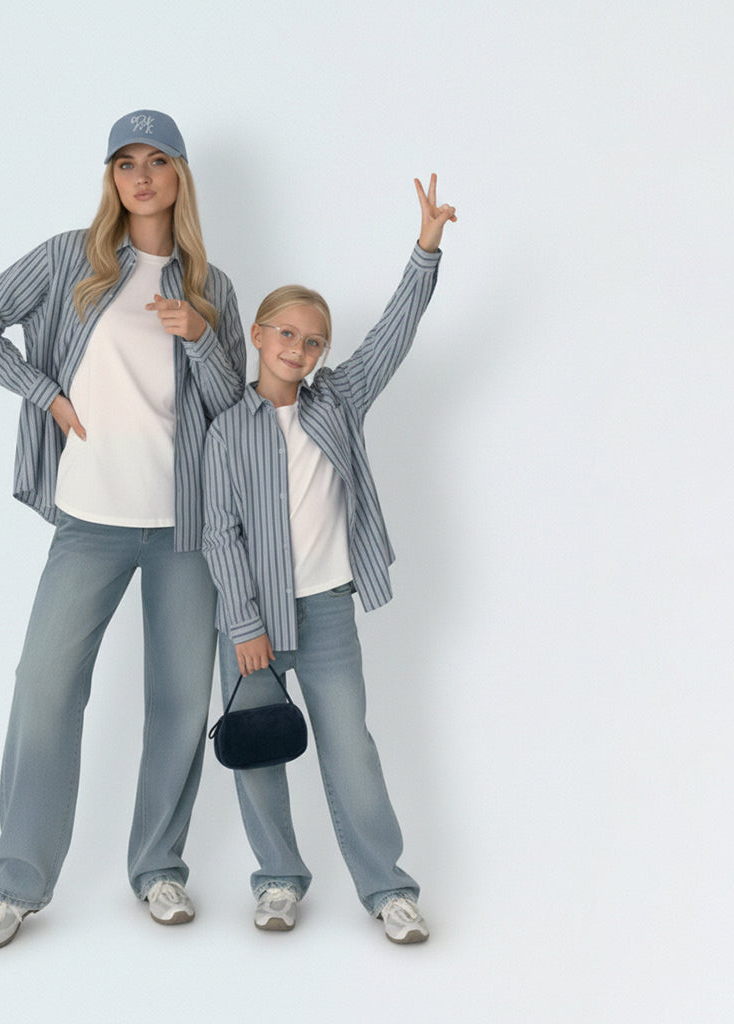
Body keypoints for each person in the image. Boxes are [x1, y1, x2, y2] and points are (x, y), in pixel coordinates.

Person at [0, 110, 245, 951]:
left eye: (157, 160)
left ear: (180, 174)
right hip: (91, 518)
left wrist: (204, 340)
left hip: (187, 525)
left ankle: (159, 869)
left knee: (180, 701)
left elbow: (235, 413)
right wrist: (46, 394)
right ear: (111, 178)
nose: (141, 176)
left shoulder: (212, 286)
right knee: (44, 688)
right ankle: (15, 885)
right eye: (125, 162)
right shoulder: (68, 258)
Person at [201, 174, 455, 944]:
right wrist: (244, 625)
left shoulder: (337, 403)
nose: (299, 349)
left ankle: (388, 888)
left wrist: (425, 251)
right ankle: (278, 880)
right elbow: (219, 533)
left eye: (313, 342)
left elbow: (392, 336)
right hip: (253, 623)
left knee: (351, 750)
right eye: (287, 334)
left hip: (329, 610)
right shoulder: (227, 430)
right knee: (257, 752)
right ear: (258, 335)